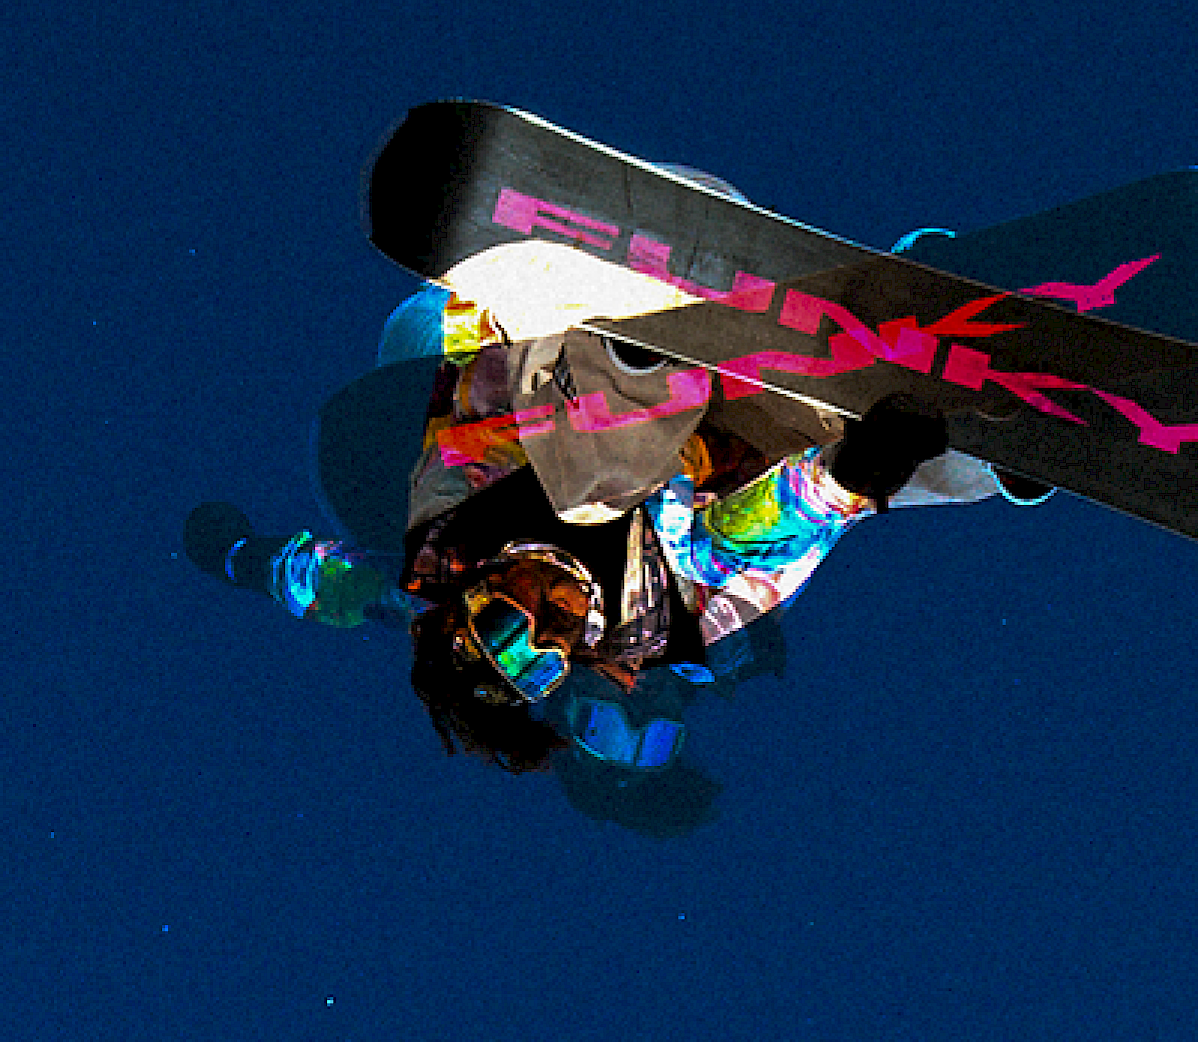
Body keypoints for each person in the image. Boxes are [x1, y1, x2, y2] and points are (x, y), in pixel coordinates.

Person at [184, 218, 1038, 828]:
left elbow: (337, 582)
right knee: (890, 469)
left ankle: (566, 330)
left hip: (513, 411)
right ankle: (966, 407)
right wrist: (864, 472)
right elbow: (748, 541)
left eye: (607, 731)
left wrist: (247, 559)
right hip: (700, 433)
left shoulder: (490, 634)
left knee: (410, 336)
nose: (635, 704)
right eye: (658, 733)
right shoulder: (697, 640)